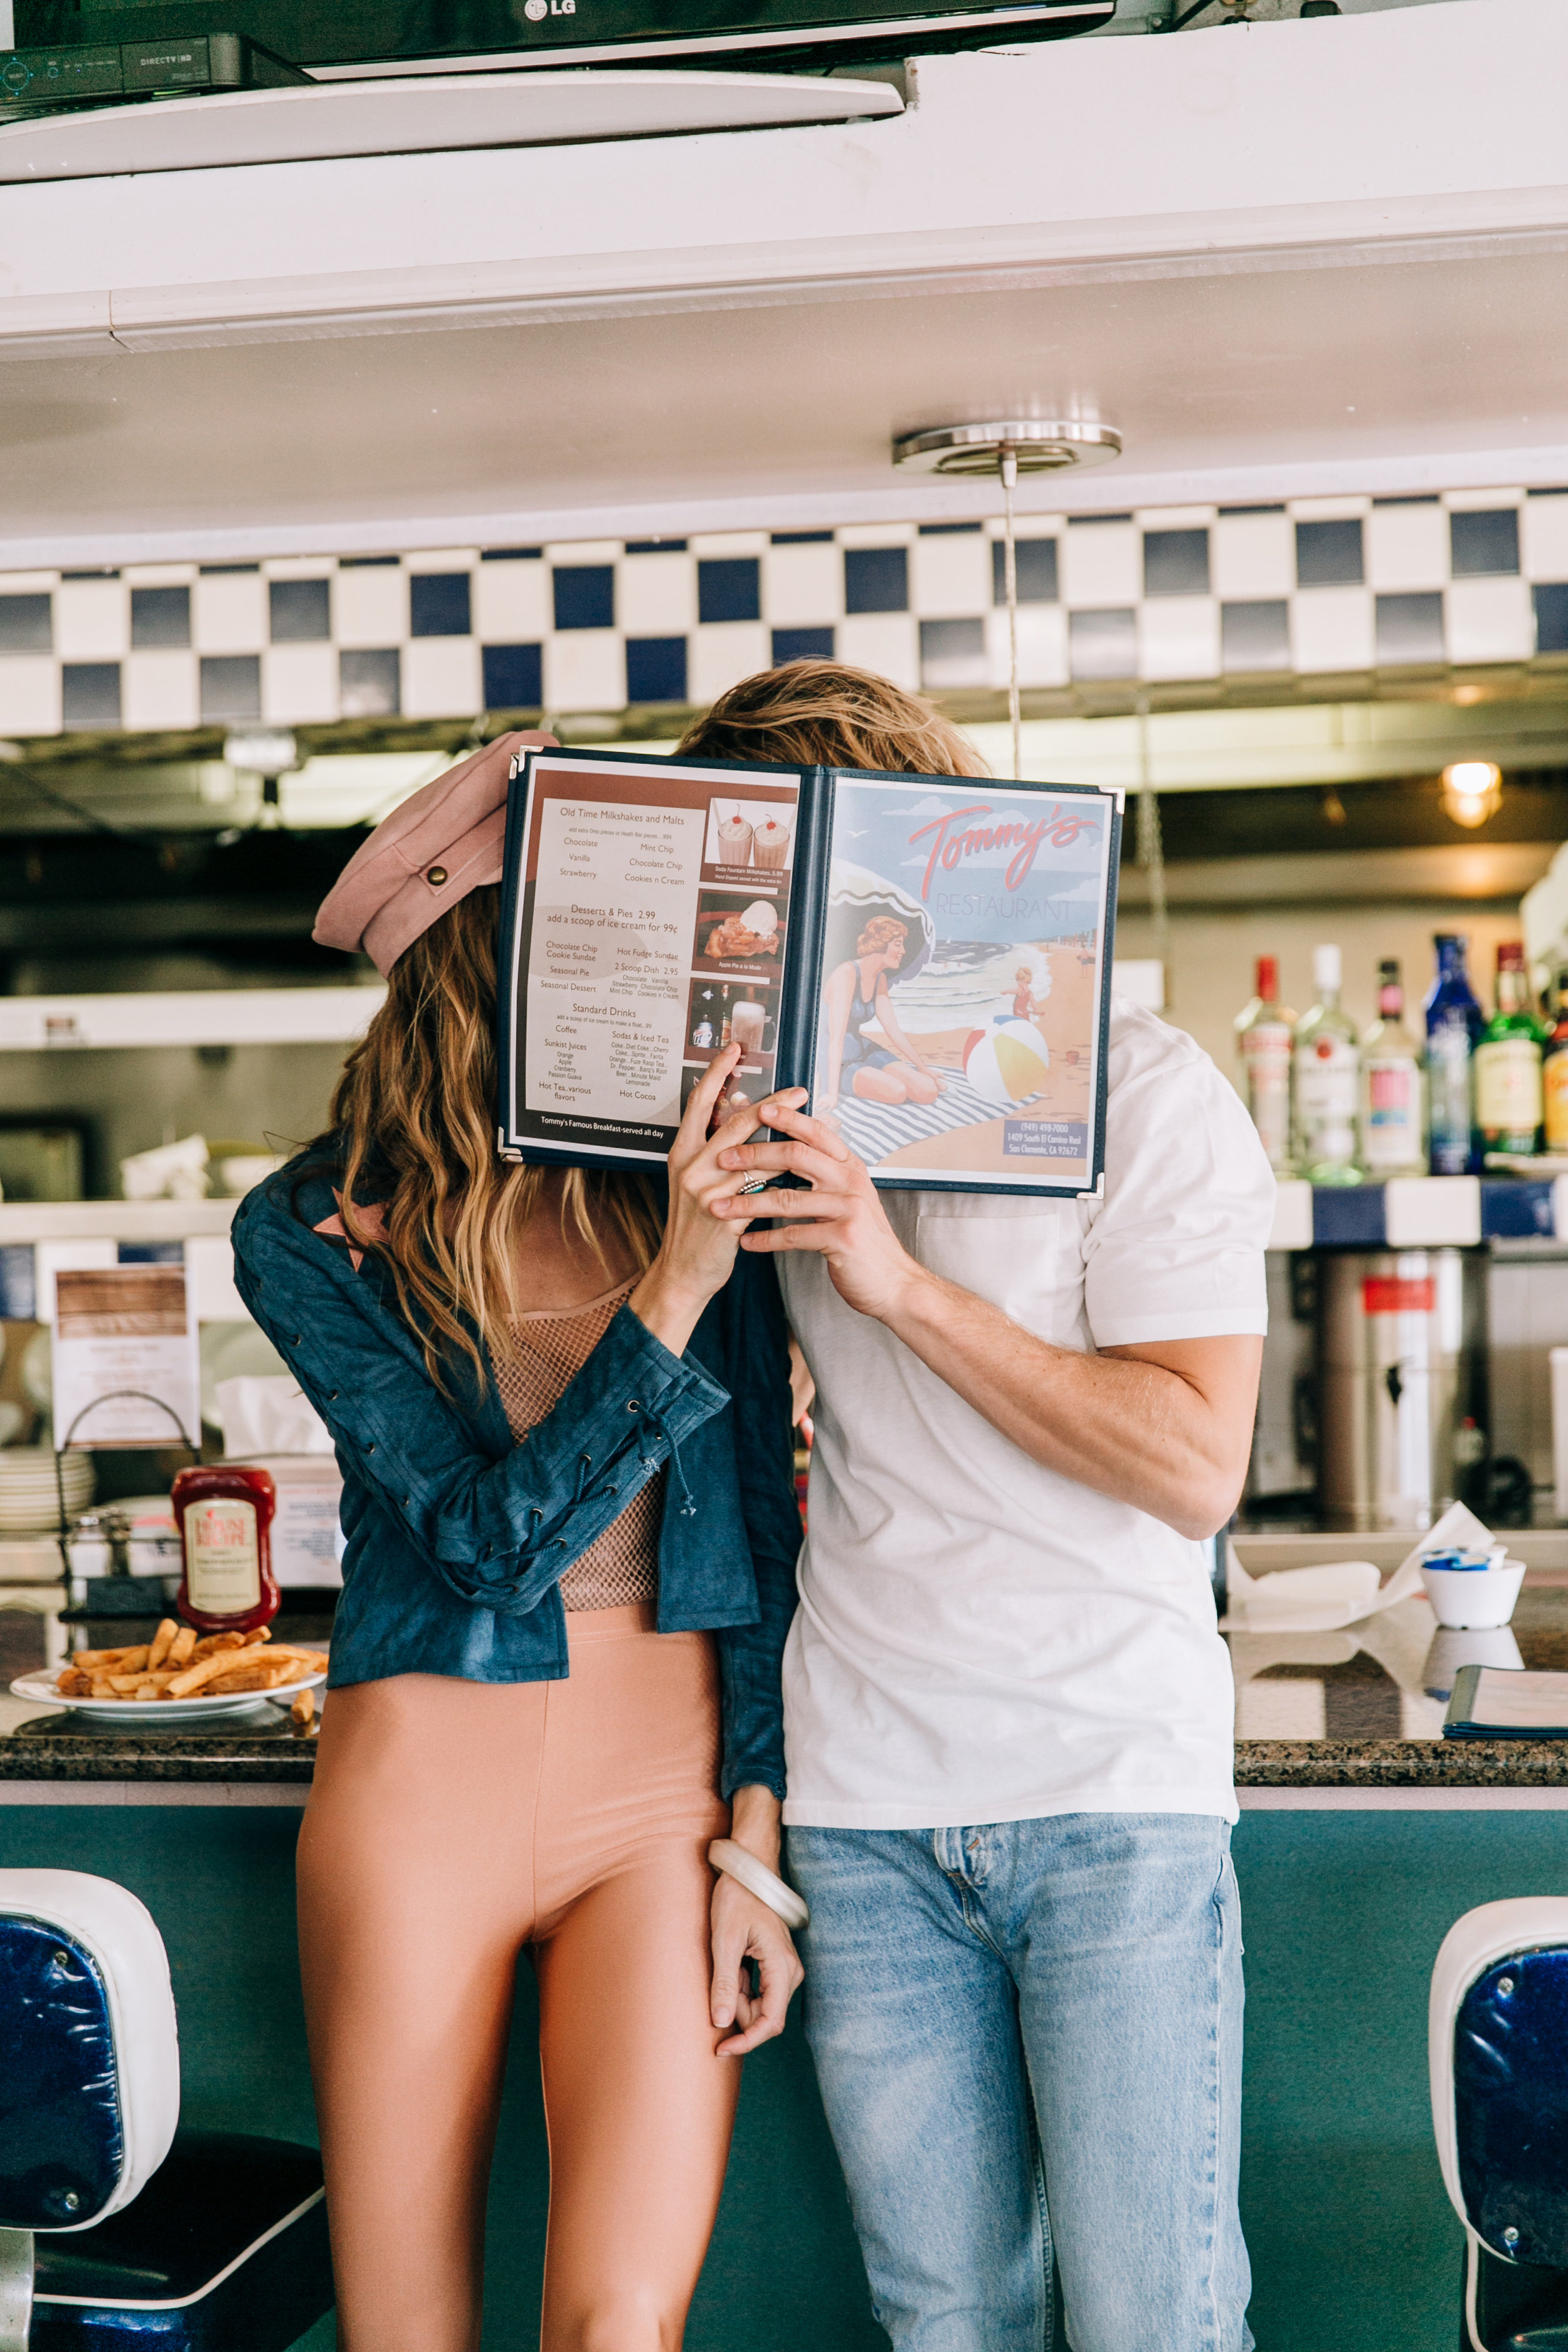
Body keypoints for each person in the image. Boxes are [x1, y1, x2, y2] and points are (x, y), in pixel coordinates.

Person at [675, 660, 1273, 2352]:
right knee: (943, 2317)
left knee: (1154, 2320)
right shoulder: (754, 1133)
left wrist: (893, 1279)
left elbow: (1188, 1462)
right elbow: (727, 1486)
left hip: (1109, 1792)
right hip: (865, 1810)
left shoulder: (1143, 1089)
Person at [230, 732, 805, 2352]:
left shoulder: (690, 1183)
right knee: (405, 2327)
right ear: (491, 976)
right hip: (423, 1794)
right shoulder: (310, 1229)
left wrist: (755, 1828)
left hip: (663, 1805)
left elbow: (760, 1515)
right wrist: (676, 1290)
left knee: (621, 2321)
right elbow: (491, 1544)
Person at [818, 914, 943, 1113]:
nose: (903, 951)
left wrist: (923, 1067)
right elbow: (836, 1038)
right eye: (898, 944)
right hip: (836, 1055)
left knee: (927, 1091)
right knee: (897, 1092)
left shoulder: (880, 979)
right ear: (881, 944)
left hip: (862, 1047)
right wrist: (831, 1092)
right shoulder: (847, 974)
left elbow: (893, 1029)